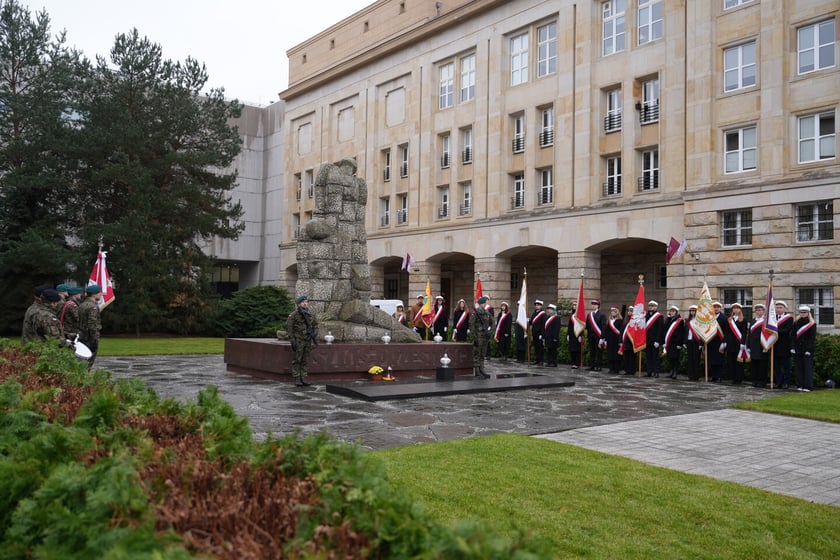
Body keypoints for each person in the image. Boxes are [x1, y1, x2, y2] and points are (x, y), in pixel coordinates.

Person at [286, 295, 319, 386]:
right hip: (299, 340)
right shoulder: (294, 315)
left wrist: (315, 333)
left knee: (304, 359)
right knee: (297, 359)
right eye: (303, 302)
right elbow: (289, 328)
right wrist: (292, 339)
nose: (305, 304)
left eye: (306, 302)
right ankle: (297, 378)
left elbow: (315, 325)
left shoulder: (310, 314)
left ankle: (303, 377)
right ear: (299, 304)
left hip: (307, 340)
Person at [78, 285, 103, 369]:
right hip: (89, 337)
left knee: (83, 360)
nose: (101, 294)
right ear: (94, 294)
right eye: (99, 292)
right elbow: (92, 324)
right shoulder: (93, 307)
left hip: (82, 335)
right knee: (89, 361)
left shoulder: (82, 304)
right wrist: (94, 338)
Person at [792, 305, 816, 392]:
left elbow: (812, 338)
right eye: (801, 312)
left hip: (807, 349)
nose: (802, 314)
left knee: (807, 368)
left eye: (804, 312)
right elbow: (793, 336)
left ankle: (808, 386)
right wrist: (793, 347)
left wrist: (809, 349)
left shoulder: (812, 323)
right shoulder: (796, 322)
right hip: (798, 348)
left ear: (808, 313)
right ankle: (800, 385)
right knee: (798, 368)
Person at [722, 302, 747, 385]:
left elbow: (744, 332)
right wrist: (725, 341)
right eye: (734, 308)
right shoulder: (729, 320)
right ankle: (733, 378)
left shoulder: (743, 320)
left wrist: (743, 343)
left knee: (739, 362)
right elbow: (726, 331)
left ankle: (739, 379)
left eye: (737, 308)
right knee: (731, 362)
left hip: (739, 344)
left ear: (740, 310)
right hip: (730, 344)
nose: (735, 310)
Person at [469, 296, 492, 378]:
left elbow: (492, 323)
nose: (485, 304)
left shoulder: (487, 313)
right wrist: (474, 335)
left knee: (483, 353)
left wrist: (490, 331)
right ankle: (477, 370)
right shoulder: (476, 313)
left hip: (485, 336)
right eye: (484, 303)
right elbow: (471, 324)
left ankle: (482, 369)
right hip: (478, 336)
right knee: (477, 354)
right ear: (481, 304)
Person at [748, 303, 770, 387]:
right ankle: (755, 380)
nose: (758, 312)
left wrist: (766, 345)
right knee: (754, 364)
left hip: (762, 345)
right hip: (754, 346)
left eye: (760, 310)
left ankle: (762, 381)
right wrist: (748, 345)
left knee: (762, 365)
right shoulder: (753, 321)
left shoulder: (766, 321)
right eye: (757, 310)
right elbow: (749, 334)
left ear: (764, 311)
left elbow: (768, 334)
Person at [773, 301, 793, 389]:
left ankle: (786, 382)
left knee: (786, 366)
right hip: (775, 345)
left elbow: (787, 330)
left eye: (780, 308)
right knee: (776, 366)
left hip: (785, 345)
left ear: (784, 308)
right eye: (777, 308)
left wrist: (776, 331)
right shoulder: (773, 318)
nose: (778, 309)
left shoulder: (789, 318)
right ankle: (779, 382)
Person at [662, 305, 685, 379]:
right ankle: (671, 371)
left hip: (675, 343)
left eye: (673, 311)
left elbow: (681, 332)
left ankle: (675, 372)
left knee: (675, 358)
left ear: (676, 312)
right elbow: (665, 330)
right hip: (669, 342)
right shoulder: (669, 320)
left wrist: (679, 343)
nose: (671, 312)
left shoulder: (680, 321)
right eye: (671, 311)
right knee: (670, 358)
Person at [707, 301, 727, 382]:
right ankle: (714, 376)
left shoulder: (724, 318)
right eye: (714, 307)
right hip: (711, 341)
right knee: (712, 360)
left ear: (720, 308)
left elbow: (726, 331)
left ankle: (719, 376)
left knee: (719, 360)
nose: (716, 308)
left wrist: (724, 342)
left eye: (717, 307)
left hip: (720, 341)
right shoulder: (710, 317)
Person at [644, 300, 664, 377]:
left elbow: (660, 329)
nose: (651, 307)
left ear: (656, 307)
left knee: (655, 357)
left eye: (652, 306)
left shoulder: (659, 317)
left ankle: (656, 371)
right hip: (647, 340)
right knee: (648, 357)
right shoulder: (646, 316)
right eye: (650, 306)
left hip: (655, 340)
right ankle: (649, 371)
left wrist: (658, 340)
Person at [586, 299, 607, 371]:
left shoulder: (602, 314)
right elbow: (588, 326)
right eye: (592, 304)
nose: (593, 306)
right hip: (591, 336)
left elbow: (604, 326)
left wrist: (602, 338)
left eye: (595, 304)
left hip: (598, 336)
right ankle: (592, 366)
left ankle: (599, 366)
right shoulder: (589, 315)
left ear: (598, 306)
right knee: (592, 351)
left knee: (598, 352)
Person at [684, 305, 702, 381]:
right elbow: (685, 332)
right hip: (689, 341)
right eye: (691, 311)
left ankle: (696, 375)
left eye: (694, 311)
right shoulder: (688, 320)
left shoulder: (699, 321)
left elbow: (701, 333)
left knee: (696, 359)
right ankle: (690, 375)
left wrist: (701, 343)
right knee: (690, 359)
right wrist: (684, 342)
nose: (692, 312)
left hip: (696, 342)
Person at [605, 306, 623, 373]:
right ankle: (611, 368)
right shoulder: (610, 321)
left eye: (614, 311)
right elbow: (607, 331)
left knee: (616, 355)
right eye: (612, 311)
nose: (613, 312)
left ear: (617, 312)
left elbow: (621, 331)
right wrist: (606, 340)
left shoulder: (620, 321)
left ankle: (616, 369)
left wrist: (620, 340)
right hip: (610, 340)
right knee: (610, 354)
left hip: (616, 340)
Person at [530, 300, 547, 365]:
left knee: (540, 348)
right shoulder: (534, 313)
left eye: (538, 305)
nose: (537, 306)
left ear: (541, 306)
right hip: (534, 333)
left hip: (539, 333)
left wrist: (542, 334)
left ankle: (541, 360)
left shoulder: (543, 314)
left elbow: (543, 325)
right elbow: (532, 322)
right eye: (536, 305)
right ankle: (537, 360)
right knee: (536, 347)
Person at [567, 302, 583, 369]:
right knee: (572, 349)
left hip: (578, 334)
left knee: (577, 350)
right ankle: (573, 363)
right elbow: (569, 326)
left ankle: (577, 363)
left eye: (575, 305)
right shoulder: (572, 315)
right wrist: (567, 334)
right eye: (573, 305)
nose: (574, 306)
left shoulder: (580, 315)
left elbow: (582, 325)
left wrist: (581, 335)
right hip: (572, 335)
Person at [620, 306, 636, 375]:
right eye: (629, 311)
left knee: (632, 357)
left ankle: (632, 370)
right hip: (625, 341)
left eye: (631, 311)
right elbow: (622, 331)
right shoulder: (625, 321)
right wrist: (620, 341)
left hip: (632, 341)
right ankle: (627, 370)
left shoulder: (635, 321)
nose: (629, 312)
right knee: (626, 356)